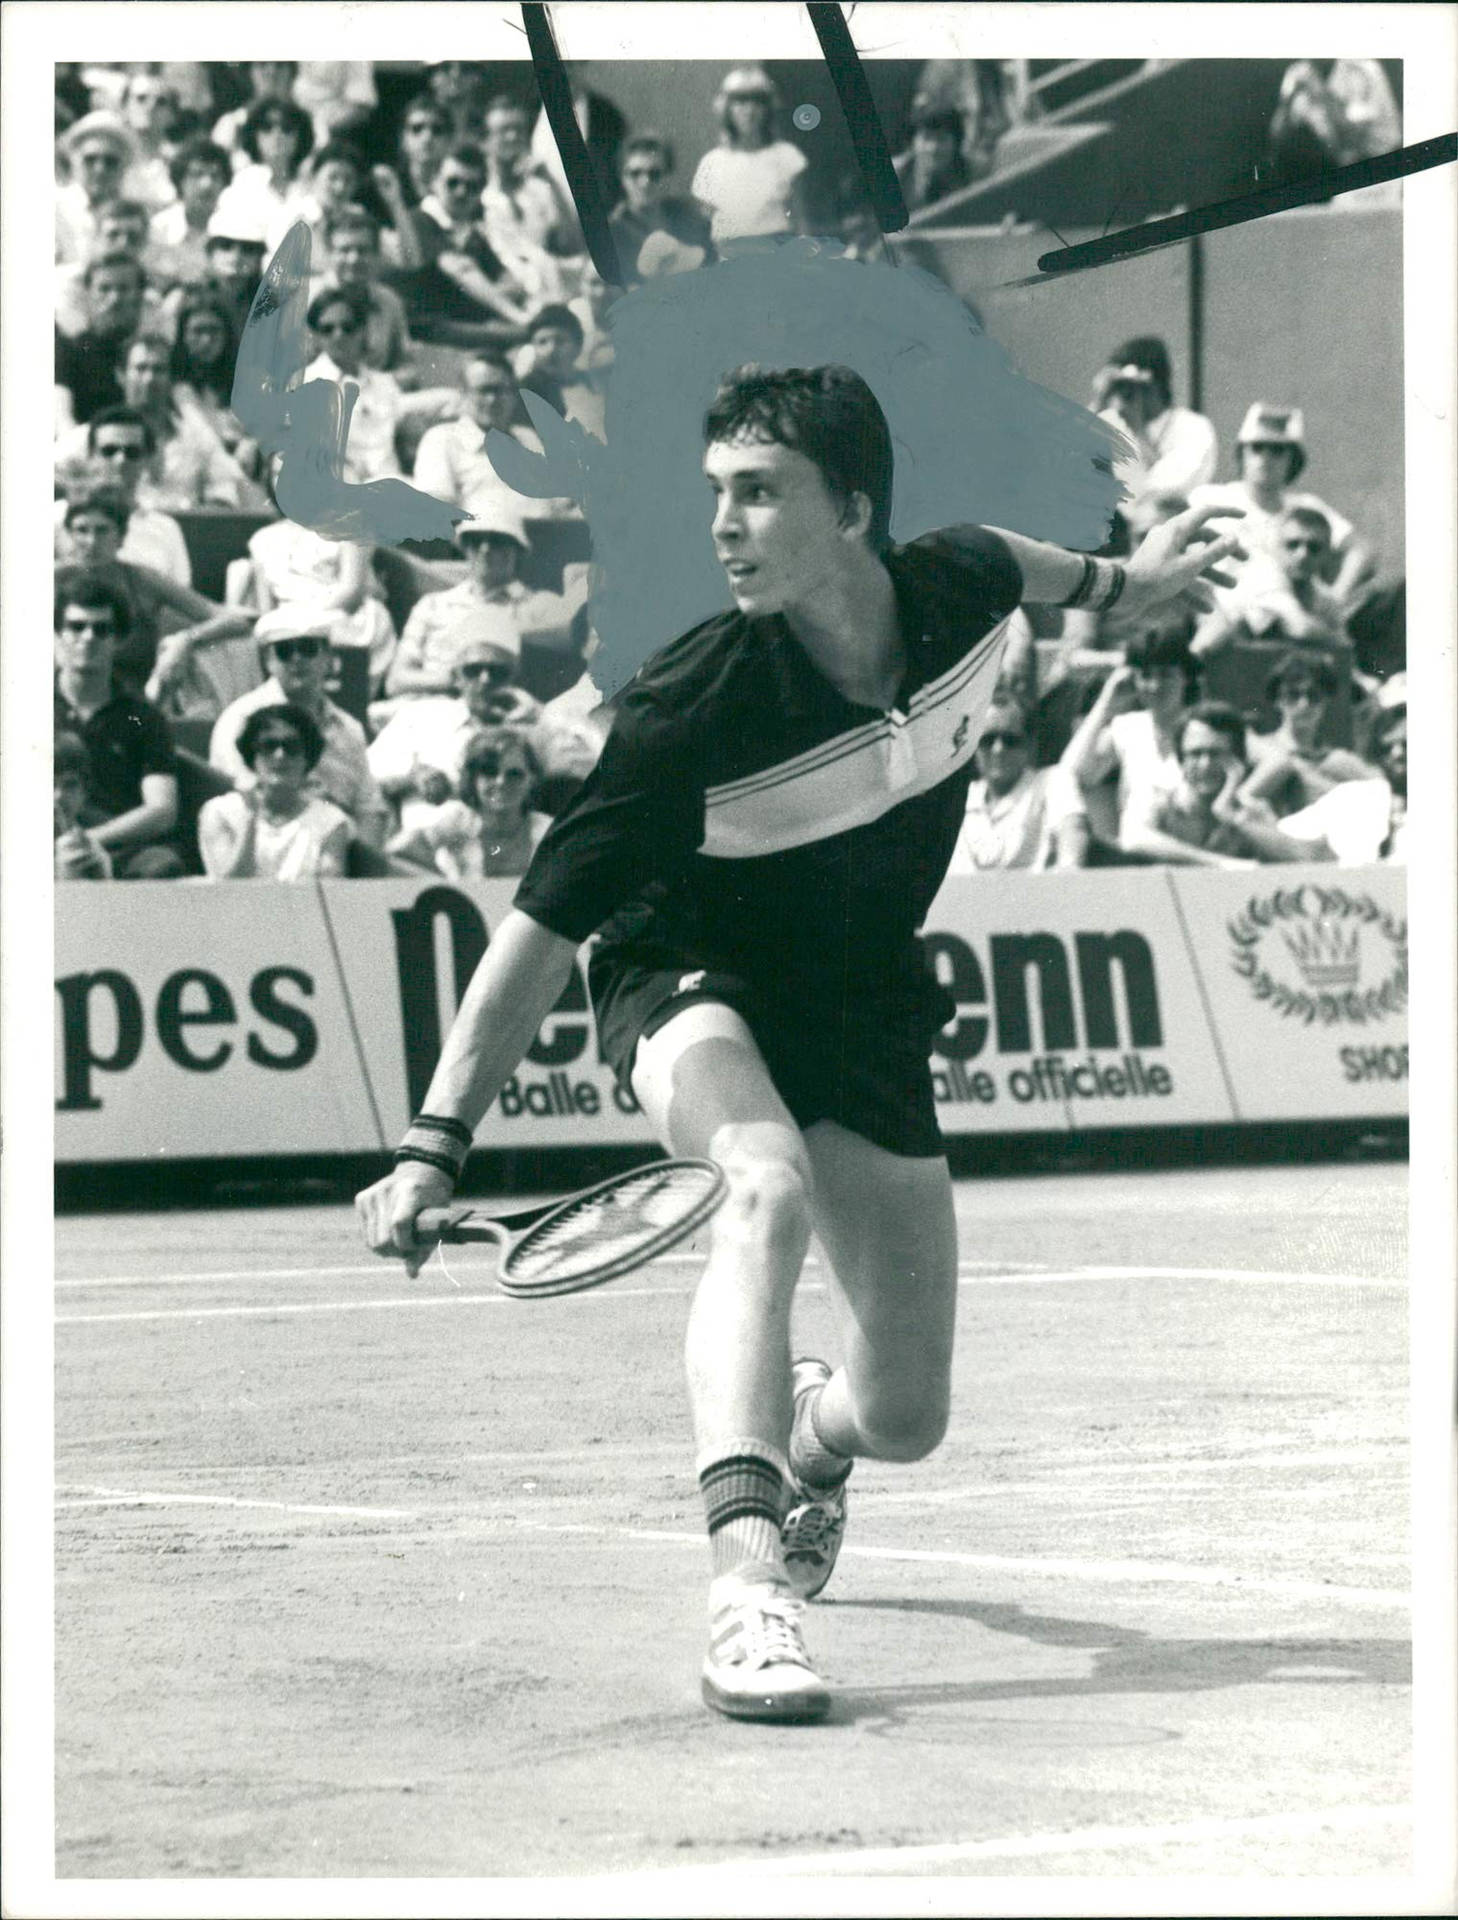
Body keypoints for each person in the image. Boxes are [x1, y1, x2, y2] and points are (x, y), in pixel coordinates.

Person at [356, 363, 1242, 1721]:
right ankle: (747, 1593)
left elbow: (1021, 563)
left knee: (906, 1415)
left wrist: (1129, 587)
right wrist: (431, 1145)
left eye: (758, 493)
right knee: (755, 1187)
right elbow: (537, 929)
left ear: (855, 510)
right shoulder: (691, 704)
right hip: (685, 972)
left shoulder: (955, 584)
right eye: (715, 492)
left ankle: (813, 1437)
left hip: (860, 995)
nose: (723, 524)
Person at [55, 491, 251, 711]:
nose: (91, 541)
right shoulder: (50, 582)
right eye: (82, 530)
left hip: (135, 703)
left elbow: (234, 620)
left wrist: (186, 640)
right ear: (69, 535)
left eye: (102, 530)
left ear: (120, 536)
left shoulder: (141, 579)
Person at [210, 609, 389, 847]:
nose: (297, 659)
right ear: (267, 661)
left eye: (307, 648)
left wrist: (366, 869)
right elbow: (245, 801)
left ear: (328, 657)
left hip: (341, 849)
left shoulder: (348, 727)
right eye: (284, 651)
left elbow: (369, 808)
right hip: (268, 845)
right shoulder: (241, 720)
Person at [378, 508, 588, 711]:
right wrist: (454, 679)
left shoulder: (539, 605)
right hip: (426, 708)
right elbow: (395, 681)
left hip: (499, 711)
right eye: (475, 540)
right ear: (465, 548)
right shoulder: (433, 605)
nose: (485, 549)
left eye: (496, 541)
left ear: (516, 550)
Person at [53, 570, 183, 877]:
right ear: (58, 633)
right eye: (76, 626)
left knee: (162, 866)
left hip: (120, 846)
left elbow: (162, 810)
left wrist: (89, 841)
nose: (88, 638)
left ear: (118, 639)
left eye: (102, 629)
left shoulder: (142, 716)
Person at [1188, 404, 1373, 613]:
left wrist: (1338, 596)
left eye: (1277, 450)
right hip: (1223, 614)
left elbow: (1361, 548)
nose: (1265, 458)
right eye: (1257, 448)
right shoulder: (1210, 497)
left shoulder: (1306, 506)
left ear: (1292, 459)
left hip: (1293, 617)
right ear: (1242, 454)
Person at [367, 607, 541, 822]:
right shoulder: (421, 716)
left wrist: (538, 718)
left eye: (497, 671)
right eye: (473, 670)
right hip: (419, 848)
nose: (484, 680)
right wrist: (412, 778)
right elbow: (364, 781)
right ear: (456, 677)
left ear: (515, 677)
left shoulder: (534, 728)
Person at [237, 462, 398, 691]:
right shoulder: (263, 539)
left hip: (340, 613)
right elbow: (267, 608)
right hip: (285, 618)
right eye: (276, 474)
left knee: (307, 640)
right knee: (268, 636)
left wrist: (305, 621)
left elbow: (351, 591)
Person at [57, 332, 253, 511]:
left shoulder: (197, 438)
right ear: (121, 375)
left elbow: (226, 490)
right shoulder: (94, 435)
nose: (150, 379)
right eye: (140, 368)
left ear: (171, 378)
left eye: (159, 370)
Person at [1059, 628, 1195, 850]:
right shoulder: (1129, 727)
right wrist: (1105, 702)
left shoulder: (1202, 725)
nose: (1155, 686)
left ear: (1186, 677)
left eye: (1166, 674)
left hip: (1190, 847)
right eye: (1146, 676)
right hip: (1138, 852)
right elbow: (1072, 772)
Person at [198, 702, 353, 879]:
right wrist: (250, 819)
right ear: (252, 755)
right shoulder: (220, 813)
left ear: (307, 757)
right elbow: (228, 890)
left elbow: (330, 894)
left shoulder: (330, 822)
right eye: (268, 746)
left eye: (292, 747)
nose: (279, 755)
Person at [387, 724, 550, 880]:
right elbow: (397, 851)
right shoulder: (458, 822)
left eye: (514, 774)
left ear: (532, 779)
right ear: (473, 779)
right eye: (489, 772)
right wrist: (438, 883)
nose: (500, 782)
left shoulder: (548, 831)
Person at [54, 410, 194, 586]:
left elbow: (181, 598)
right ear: (91, 455)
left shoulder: (166, 529)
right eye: (109, 451)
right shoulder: (55, 518)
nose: (120, 460)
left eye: (132, 452)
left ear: (147, 459)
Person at [1193, 504, 1350, 659]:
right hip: (1209, 629)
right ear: (1276, 546)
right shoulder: (1265, 575)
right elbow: (1301, 629)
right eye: (1292, 544)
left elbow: (1343, 648)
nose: (1303, 554)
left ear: (1328, 554)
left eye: (1314, 548)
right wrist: (1334, 638)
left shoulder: (1322, 595)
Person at [947, 695, 1086, 871]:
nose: (998, 749)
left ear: (1029, 744)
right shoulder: (958, 798)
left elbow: (1072, 827)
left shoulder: (1052, 782)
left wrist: (1069, 865)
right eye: (988, 740)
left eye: (1010, 740)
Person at [1120, 702, 1265, 867]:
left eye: (1216, 754)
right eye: (1195, 754)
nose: (1205, 765)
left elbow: (1297, 856)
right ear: (1181, 759)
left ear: (1237, 759)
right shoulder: (1156, 799)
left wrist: (1233, 816)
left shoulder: (1250, 812)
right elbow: (1133, 838)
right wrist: (1220, 863)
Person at [1091, 337, 1218, 514]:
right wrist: (1099, 401)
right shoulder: (1109, 425)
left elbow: (1162, 491)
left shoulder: (1193, 428)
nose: (1126, 392)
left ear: (1156, 384)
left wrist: (1137, 429)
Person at [1239, 651, 1373, 817]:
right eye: (1292, 695)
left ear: (1325, 701)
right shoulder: (1260, 747)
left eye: (1314, 695)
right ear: (1277, 700)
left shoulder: (1337, 759)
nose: (1304, 704)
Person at [691, 67, 808, 246]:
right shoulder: (712, 163)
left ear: (768, 108)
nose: (749, 111)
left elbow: (801, 222)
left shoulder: (786, 157)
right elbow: (705, 228)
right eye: (740, 102)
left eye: (757, 102)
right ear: (727, 109)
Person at [54, 251, 149, 426]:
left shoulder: (155, 353)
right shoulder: (68, 351)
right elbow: (63, 423)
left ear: (140, 296)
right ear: (89, 295)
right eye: (104, 289)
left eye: (124, 289)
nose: (114, 299)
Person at [213, 96, 316, 253]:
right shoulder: (240, 187)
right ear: (254, 135)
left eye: (287, 128)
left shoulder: (312, 186)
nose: (277, 134)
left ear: (300, 136)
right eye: (267, 127)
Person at [607, 135, 712, 286]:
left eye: (654, 174)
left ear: (667, 178)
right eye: (635, 174)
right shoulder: (614, 232)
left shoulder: (689, 218)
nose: (645, 183)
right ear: (622, 178)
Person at [147, 136, 232, 291]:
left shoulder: (233, 228)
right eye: (197, 174)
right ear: (180, 181)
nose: (207, 184)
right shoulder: (159, 229)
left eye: (215, 176)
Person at [55, 112, 138, 266]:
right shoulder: (53, 209)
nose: (100, 169)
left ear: (125, 166)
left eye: (110, 162)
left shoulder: (133, 214)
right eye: (90, 159)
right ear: (73, 160)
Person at [54, 731, 114, 881]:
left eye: (70, 785)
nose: (58, 795)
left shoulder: (92, 846)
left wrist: (102, 877)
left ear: (85, 791)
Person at [893, 106, 974, 212]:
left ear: (956, 143)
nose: (933, 148)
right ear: (912, 142)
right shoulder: (895, 174)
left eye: (942, 139)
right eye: (926, 138)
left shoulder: (975, 173)